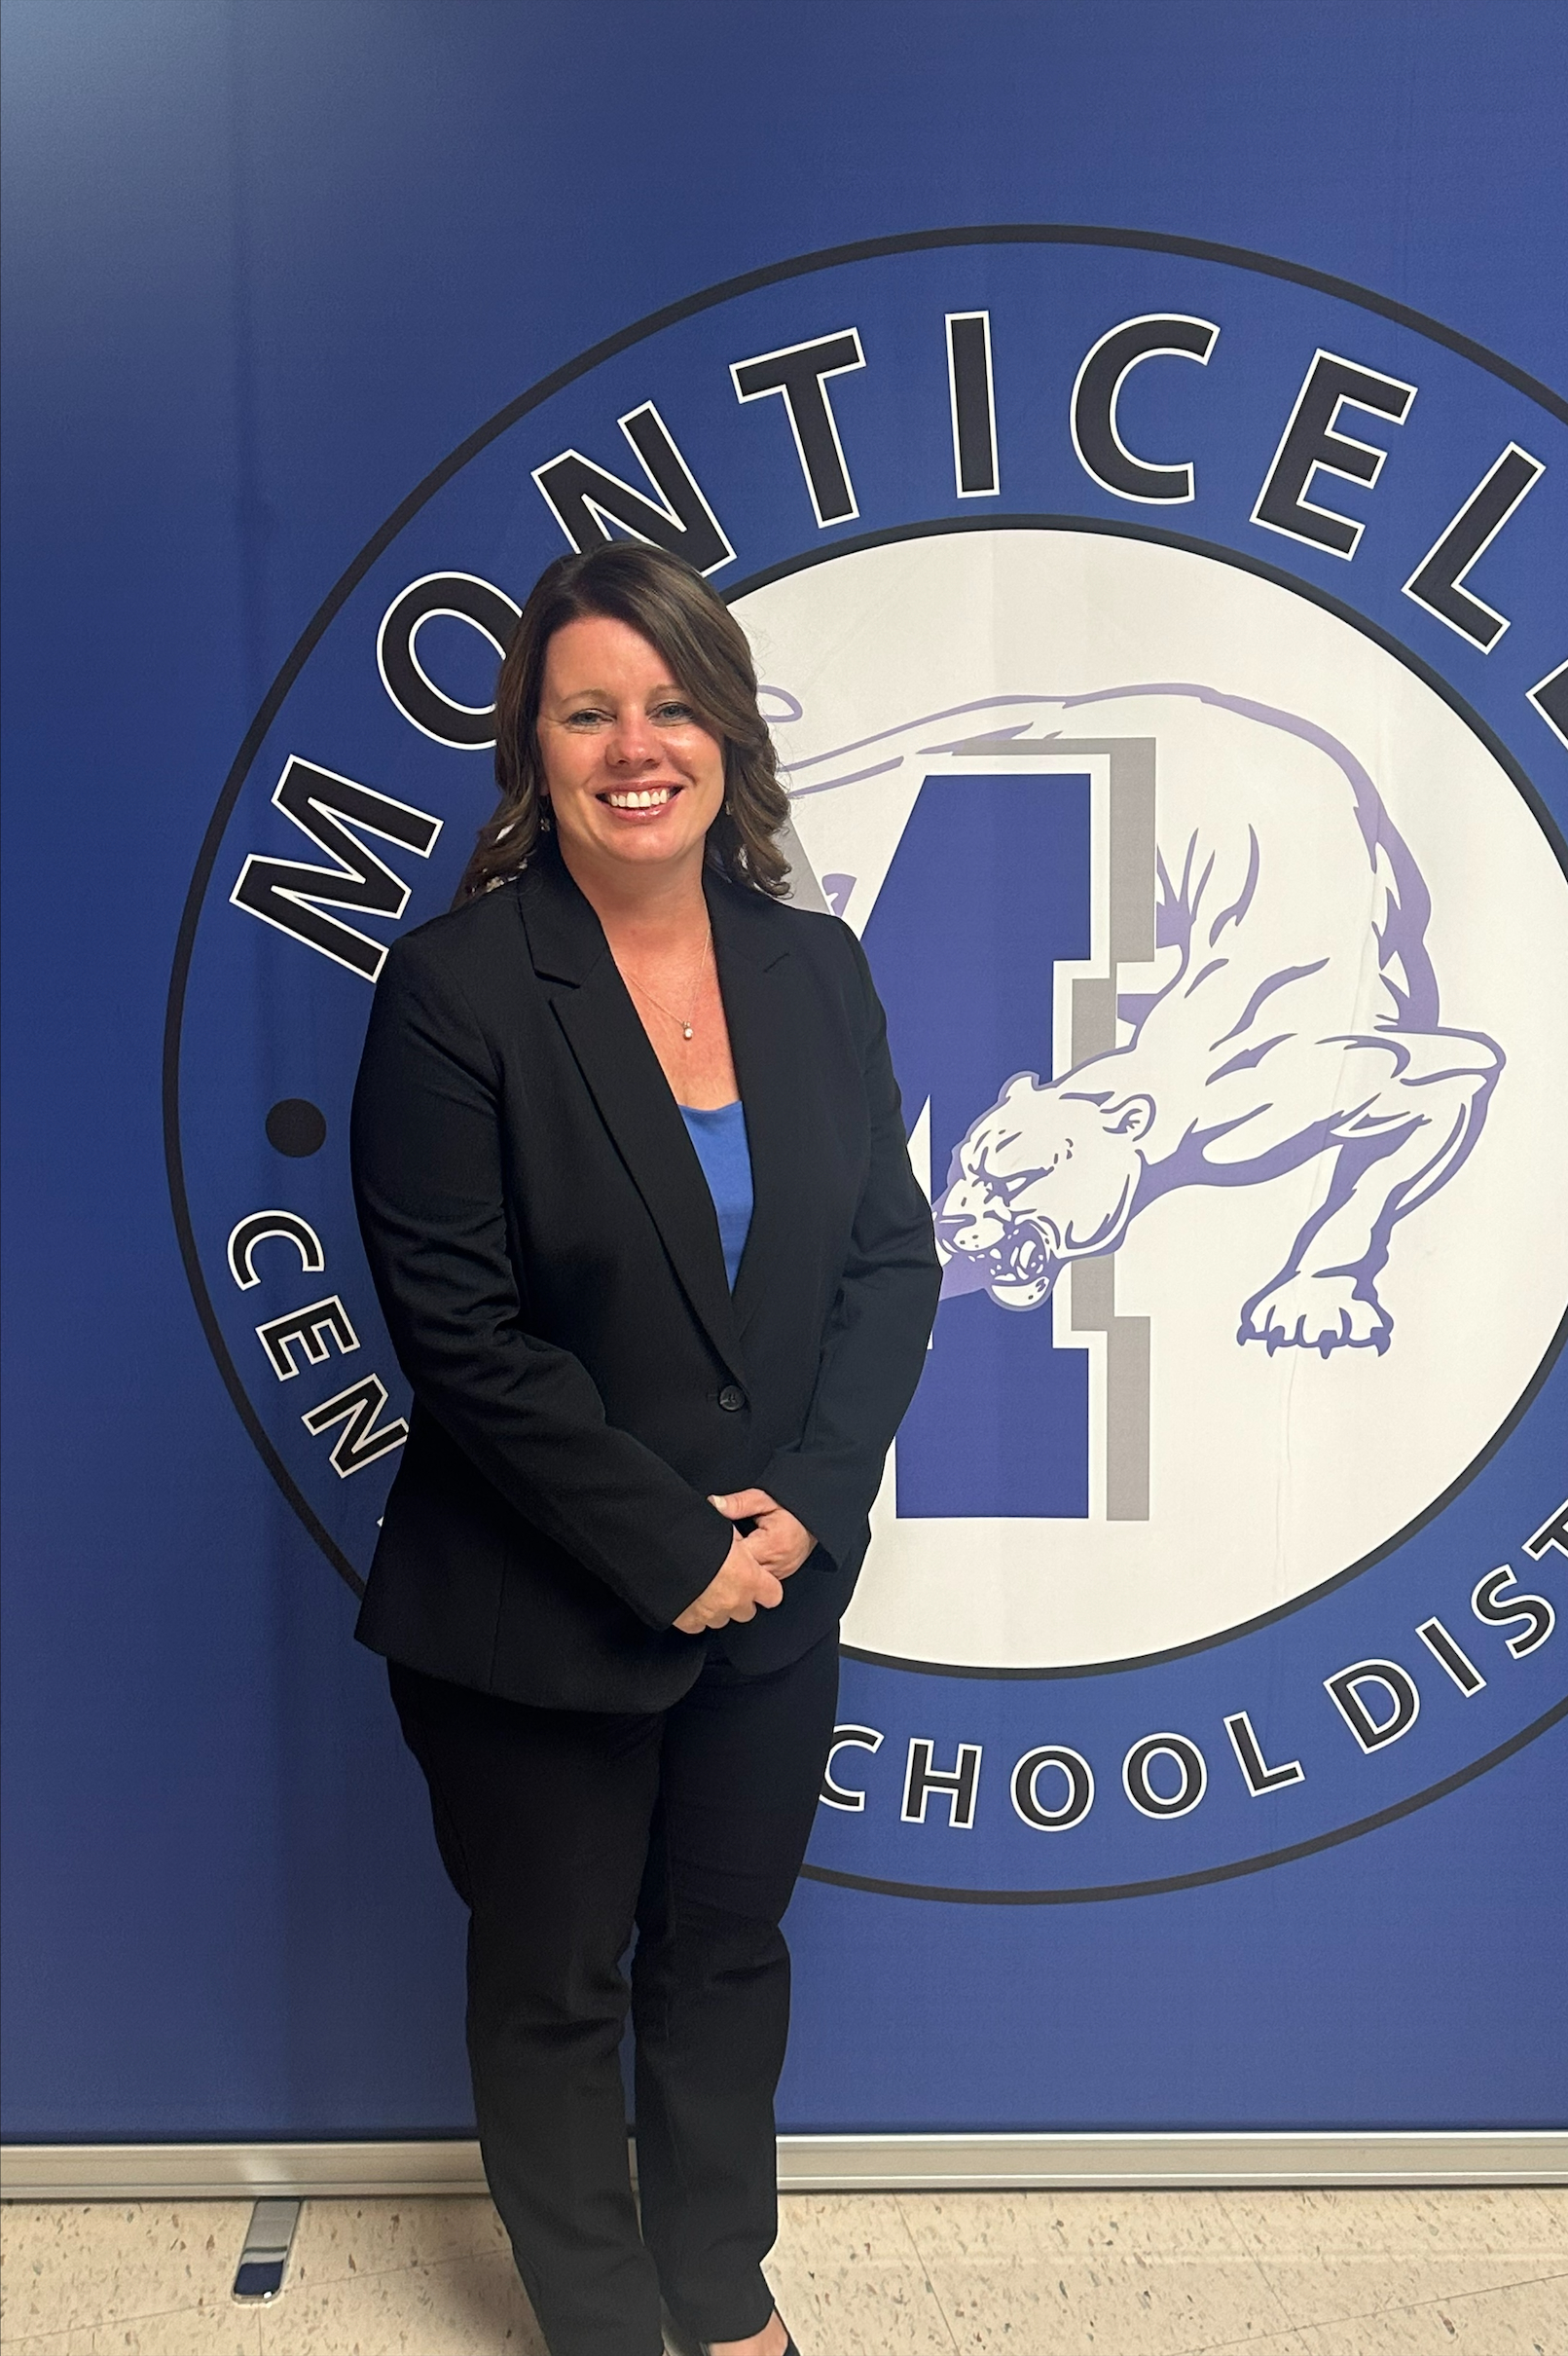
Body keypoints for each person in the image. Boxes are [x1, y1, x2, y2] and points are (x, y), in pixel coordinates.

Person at [350, 542, 941, 2356]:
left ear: (727, 735)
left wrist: (800, 1520)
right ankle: (605, 2326)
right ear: (534, 744)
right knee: (553, 1988)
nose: (636, 745)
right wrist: (676, 1548)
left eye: (672, 704)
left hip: (773, 1591)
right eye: (589, 708)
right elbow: (461, 1333)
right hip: (540, 1610)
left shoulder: (814, 968)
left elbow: (887, 1258)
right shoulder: (458, 988)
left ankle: (723, 2293)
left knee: (727, 1963)